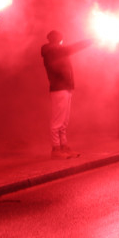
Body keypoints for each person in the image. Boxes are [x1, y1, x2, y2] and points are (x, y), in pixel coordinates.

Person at [41, 30, 93, 159]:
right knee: (57, 121)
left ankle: (63, 146)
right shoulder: (51, 51)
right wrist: (89, 41)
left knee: (64, 121)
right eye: (60, 39)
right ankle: (56, 149)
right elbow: (71, 48)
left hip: (66, 87)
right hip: (58, 88)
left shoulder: (58, 51)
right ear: (56, 40)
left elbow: (68, 50)